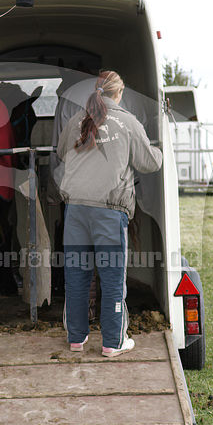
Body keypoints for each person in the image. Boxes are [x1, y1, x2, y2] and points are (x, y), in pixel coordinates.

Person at [56, 70, 162, 357]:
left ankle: (76, 340)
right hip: (109, 212)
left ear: (96, 90)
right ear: (120, 93)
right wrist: (161, 150)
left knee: (77, 277)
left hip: (76, 209)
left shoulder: (76, 120)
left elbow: (62, 153)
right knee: (112, 278)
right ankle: (113, 342)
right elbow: (149, 162)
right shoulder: (128, 122)